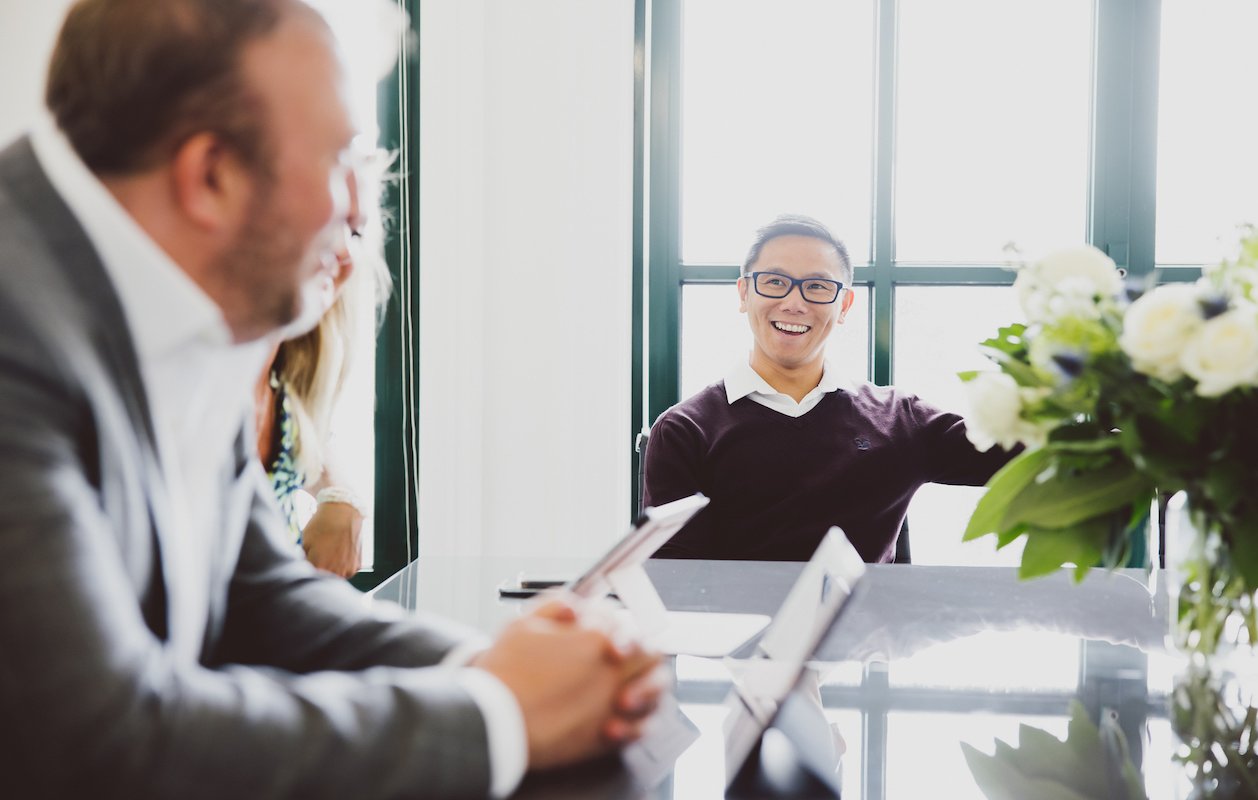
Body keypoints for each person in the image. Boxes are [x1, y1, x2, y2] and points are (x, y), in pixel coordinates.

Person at [0, 1, 662, 797]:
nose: (355, 209)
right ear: (210, 175)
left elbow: (264, 599)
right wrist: (505, 714)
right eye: (339, 158)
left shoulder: (168, 302)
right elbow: (95, 743)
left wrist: (492, 667)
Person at [643, 214, 1016, 563]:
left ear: (844, 305)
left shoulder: (899, 419)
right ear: (744, 293)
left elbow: (1033, 458)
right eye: (774, 282)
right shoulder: (684, 431)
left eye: (817, 287)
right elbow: (676, 583)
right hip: (738, 631)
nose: (794, 303)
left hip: (863, 630)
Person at [255, 161, 390, 578]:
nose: (344, 251)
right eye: (330, 219)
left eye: (355, 231)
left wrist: (342, 496)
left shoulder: (285, 400)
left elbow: (316, 451)